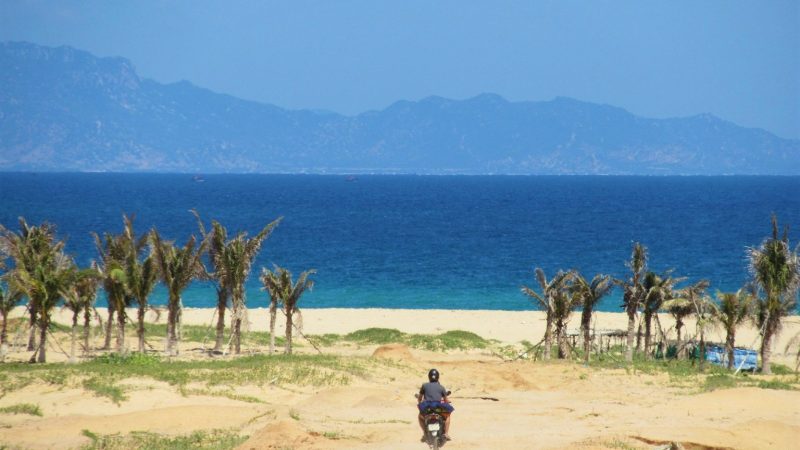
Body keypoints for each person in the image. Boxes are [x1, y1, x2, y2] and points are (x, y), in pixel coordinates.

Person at [417, 368, 454, 441]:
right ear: (438, 377)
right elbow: (446, 400)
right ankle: (446, 434)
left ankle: (425, 433)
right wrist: (448, 401)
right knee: (447, 416)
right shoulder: (441, 387)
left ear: (429, 377)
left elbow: (420, 398)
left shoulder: (424, 385)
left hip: (427, 407)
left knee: (420, 417)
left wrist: (419, 402)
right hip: (438, 407)